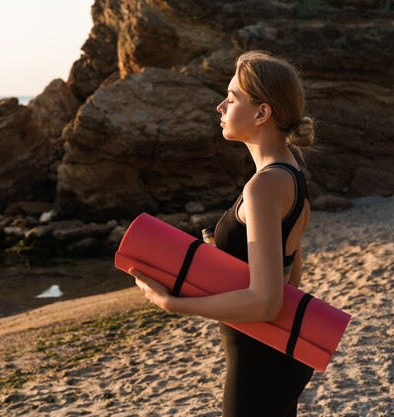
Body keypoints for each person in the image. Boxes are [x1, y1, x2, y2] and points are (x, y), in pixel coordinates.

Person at [130, 50, 316, 417]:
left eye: (231, 98)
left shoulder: (264, 186)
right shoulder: (291, 174)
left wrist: (173, 303)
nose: (220, 106)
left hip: (258, 360)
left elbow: (267, 302)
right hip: (278, 356)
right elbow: (290, 276)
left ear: (262, 113)